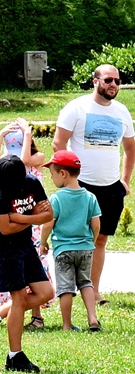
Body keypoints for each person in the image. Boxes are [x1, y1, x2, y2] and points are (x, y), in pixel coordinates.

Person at [52, 64, 134, 303]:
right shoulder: (76, 108)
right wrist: (68, 179)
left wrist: (125, 181)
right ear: (95, 81)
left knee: (101, 239)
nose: (114, 85)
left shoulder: (121, 111)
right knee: (72, 240)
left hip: (111, 187)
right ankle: (66, 291)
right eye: (108, 80)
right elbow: (58, 144)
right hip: (81, 186)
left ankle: (94, 292)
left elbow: (130, 148)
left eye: (117, 81)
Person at [0, 155, 54, 373]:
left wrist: (20, 218)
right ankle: (15, 357)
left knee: (46, 293)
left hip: (25, 247)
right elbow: (6, 229)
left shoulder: (32, 183)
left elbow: (48, 215)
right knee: (19, 299)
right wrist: (32, 216)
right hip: (5, 250)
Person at [0, 117, 48, 329]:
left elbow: (24, 162)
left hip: (28, 228)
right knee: (19, 290)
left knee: (37, 277)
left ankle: (28, 315)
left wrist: (23, 218)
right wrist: (0, 135)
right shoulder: (5, 169)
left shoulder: (36, 158)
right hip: (8, 242)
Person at [38, 150, 103, 332]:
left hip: (63, 250)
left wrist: (43, 242)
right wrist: (92, 241)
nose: (51, 178)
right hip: (85, 248)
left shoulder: (57, 198)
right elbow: (96, 224)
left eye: (52, 174)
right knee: (86, 283)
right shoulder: (90, 197)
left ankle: (67, 324)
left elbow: (48, 224)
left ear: (63, 174)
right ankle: (92, 318)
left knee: (66, 288)